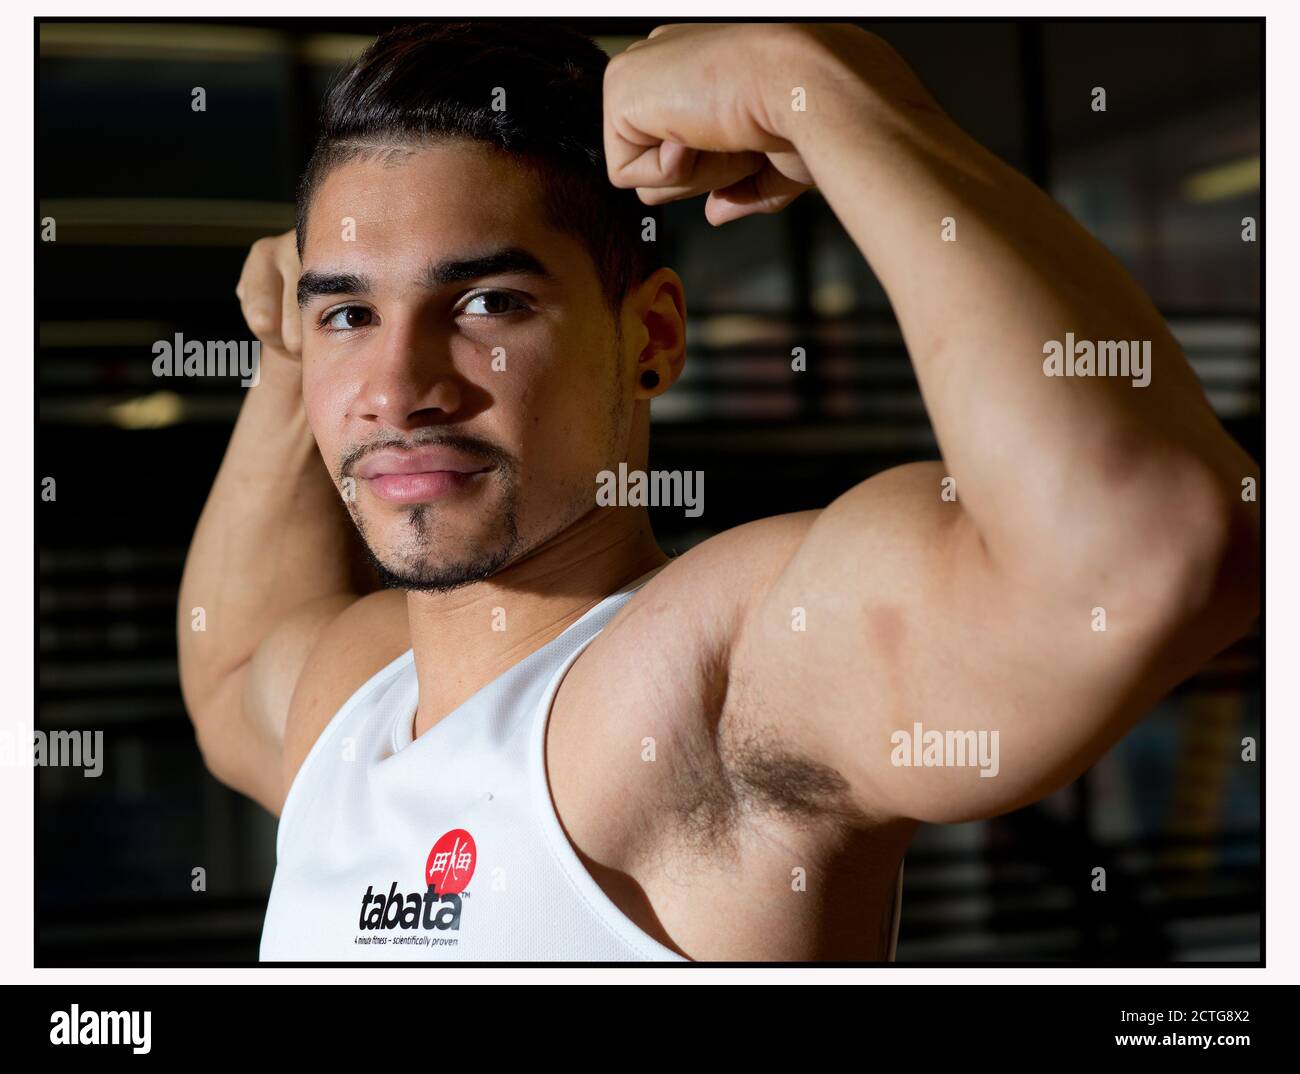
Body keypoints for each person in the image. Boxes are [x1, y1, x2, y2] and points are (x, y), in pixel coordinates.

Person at [178, 20, 1260, 961]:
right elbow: (230, 665)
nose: (398, 392)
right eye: (350, 316)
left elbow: (1141, 546)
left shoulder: (708, 676)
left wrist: (819, 88)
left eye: (488, 303)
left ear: (648, 335)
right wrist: (288, 353)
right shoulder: (354, 701)